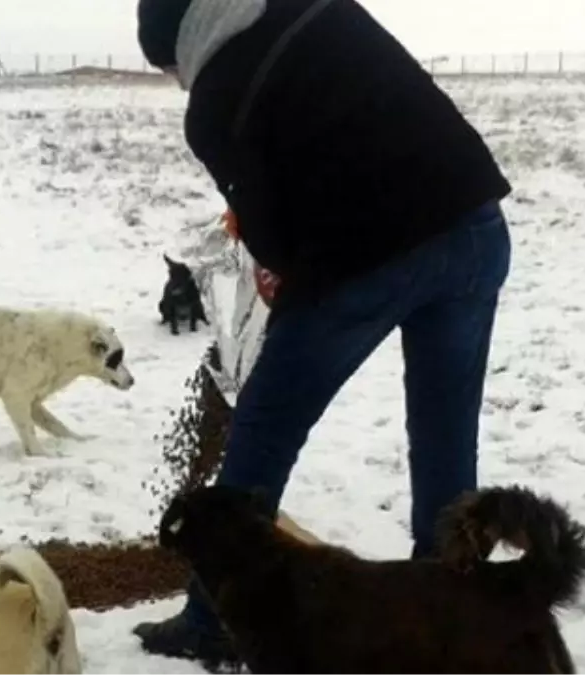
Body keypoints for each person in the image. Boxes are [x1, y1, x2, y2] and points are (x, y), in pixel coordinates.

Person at [134, 0, 513, 665]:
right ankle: (457, 608)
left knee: (264, 423)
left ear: (182, 44)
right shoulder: (320, 7)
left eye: (170, 69)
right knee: (446, 434)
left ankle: (210, 617)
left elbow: (271, 231)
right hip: (474, 226)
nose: (180, 81)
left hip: (370, 255)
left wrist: (278, 264)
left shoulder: (213, 96)